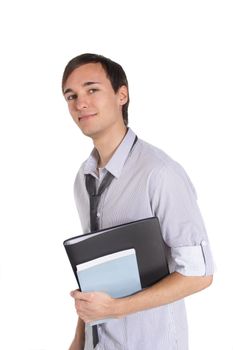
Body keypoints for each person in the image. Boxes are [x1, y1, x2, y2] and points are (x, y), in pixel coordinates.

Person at [62, 53, 214, 350]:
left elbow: (200, 274)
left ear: (122, 95)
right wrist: (79, 341)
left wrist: (116, 309)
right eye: (71, 96)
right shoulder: (84, 178)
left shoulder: (159, 173)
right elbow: (95, 274)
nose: (80, 103)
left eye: (92, 89)